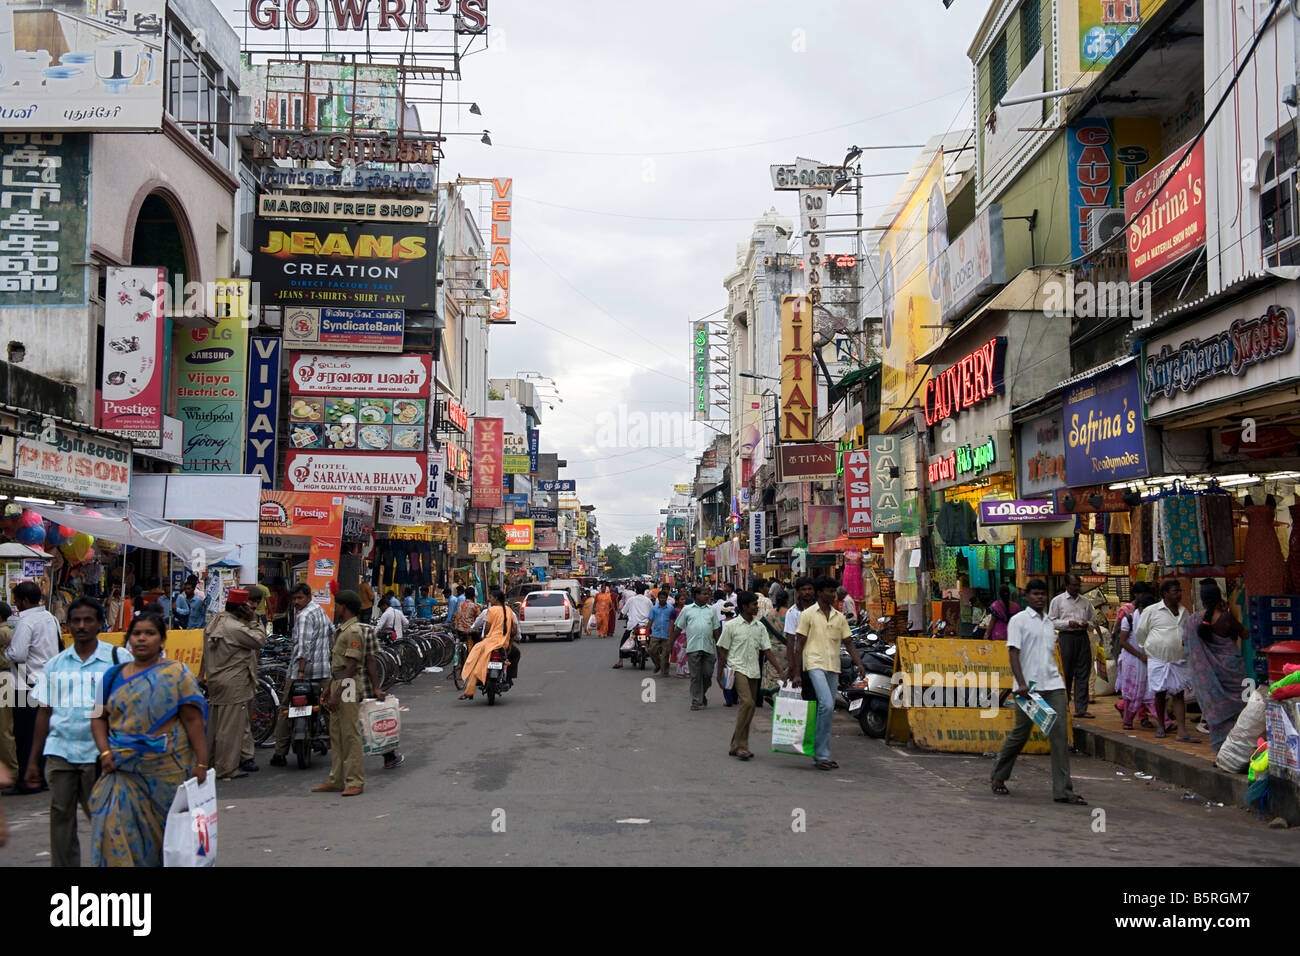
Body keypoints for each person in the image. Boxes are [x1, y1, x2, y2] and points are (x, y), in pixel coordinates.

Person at [89, 612, 210, 865]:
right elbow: (98, 717)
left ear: (162, 640)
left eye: (150, 633)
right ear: (129, 639)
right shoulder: (113, 676)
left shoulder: (177, 673)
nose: (142, 639)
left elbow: (192, 720)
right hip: (122, 772)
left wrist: (201, 762)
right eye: (136, 634)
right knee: (115, 834)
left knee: (165, 842)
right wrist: (104, 752)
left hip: (167, 773)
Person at [25, 598, 127, 866]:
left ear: (100, 624)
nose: (81, 626)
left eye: (88, 620)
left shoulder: (117, 659)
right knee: (61, 819)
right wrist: (34, 761)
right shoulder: (56, 664)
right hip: (61, 752)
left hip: (102, 755)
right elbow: (45, 713)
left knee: (104, 819)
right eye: (76, 621)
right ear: (68, 626)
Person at [990, 579, 1085, 804]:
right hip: (1029, 689)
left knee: (1060, 736)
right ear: (1027, 596)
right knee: (1021, 733)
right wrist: (1021, 683)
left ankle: (1063, 790)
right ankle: (999, 775)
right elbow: (1013, 652)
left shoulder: (1048, 623)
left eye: (1043, 594)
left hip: (1053, 685)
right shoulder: (1019, 621)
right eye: (1035, 594)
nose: (1040, 597)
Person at [789, 577, 866, 771]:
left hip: (833, 665)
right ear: (819, 593)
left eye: (833, 591)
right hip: (813, 663)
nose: (832, 594)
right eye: (828, 591)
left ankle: (820, 752)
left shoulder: (839, 617)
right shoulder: (807, 615)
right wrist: (796, 672)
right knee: (826, 703)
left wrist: (859, 663)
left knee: (828, 708)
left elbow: (848, 642)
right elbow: (799, 645)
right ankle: (821, 753)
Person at [198, 588, 265, 780]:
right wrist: (253, 620)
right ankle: (226, 769)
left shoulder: (215, 622)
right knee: (231, 728)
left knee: (215, 725)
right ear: (241, 609)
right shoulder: (235, 628)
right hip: (234, 683)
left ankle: (210, 763)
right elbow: (259, 640)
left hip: (215, 679)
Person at [3, 581, 61, 796]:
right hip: (48, 682)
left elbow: (17, 654)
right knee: (42, 733)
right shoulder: (50, 618)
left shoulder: (25, 621)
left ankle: (27, 781)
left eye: (17, 600)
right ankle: (42, 777)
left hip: (26, 685)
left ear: (25, 601)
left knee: (25, 734)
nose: (16, 605)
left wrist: (5, 654)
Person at [313, 591, 369, 796]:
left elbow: (351, 665)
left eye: (337, 606)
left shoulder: (353, 631)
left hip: (348, 685)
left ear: (344, 607)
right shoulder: (342, 629)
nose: (335, 609)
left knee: (350, 734)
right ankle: (336, 779)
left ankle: (355, 781)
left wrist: (337, 693)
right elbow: (338, 666)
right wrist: (329, 688)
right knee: (336, 734)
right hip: (339, 682)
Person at [271, 584, 334, 767]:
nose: (296, 602)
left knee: (285, 709)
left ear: (308, 597)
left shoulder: (305, 615)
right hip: (322, 670)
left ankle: (280, 753)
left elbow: (303, 647)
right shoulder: (320, 610)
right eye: (295, 598)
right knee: (329, 706)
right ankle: (335, 743)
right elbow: (331, 633)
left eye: (300, 598)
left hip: (302, 672)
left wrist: (300, 671)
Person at [716, 591, 783, 760]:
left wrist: (781, 671)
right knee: (746, 703)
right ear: (744, 607)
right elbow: (722, 649)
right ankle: (741, 746)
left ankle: (736, 744)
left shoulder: (760, 627)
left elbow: (767, 651)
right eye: (754, 604)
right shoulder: (731, 626)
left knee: (751, 707)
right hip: (737, 668)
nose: (757, 607)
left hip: (754, 670)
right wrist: (719, 674)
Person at [1184, 579, 1249, 753]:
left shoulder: (1191, 621)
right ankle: (1237, 752)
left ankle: (1221, 751)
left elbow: (1187, 645)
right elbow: (1245, 634)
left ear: (1202, 599)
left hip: (1208, 680)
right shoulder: (1226, 619)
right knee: (1239, 712)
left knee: (1217, 715)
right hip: (1232, 674)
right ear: (1220, 598)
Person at [1132, 579, 1194, 741]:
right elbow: (1141, 632)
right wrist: (1151, 647)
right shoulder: (1152, 611)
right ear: (1165, 593)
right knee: (1160, 693)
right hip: (1157, 658)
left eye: (1180, 591)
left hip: (1178, 658)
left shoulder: (1183, 611)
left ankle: (1181, 730)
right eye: (1175, 591)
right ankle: (1160, 725)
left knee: (1178, 693)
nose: (1179, 594)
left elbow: (1186, 632)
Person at [1048, 573, 1096, 718]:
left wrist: (1087, 625)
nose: (1076, 588)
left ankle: (1081, 709)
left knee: (1083, 673)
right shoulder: (1057, 601)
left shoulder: (1086, 602)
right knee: (1066, 673)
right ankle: (1064, 706)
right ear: (1067, 585)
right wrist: (1067, 623)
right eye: (1074, 585)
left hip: (1082, 638)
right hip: (1066, 637)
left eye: (1078, 585)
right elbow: (1051, 621)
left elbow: (1093, 622)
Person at [459, 588, 518, 701]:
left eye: (490, 597)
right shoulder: (509, 610)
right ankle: (509, 678)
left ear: (496, 598)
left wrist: (485, 638)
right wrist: (510, 640)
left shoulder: (491, 610)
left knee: (476, 658)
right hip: (504, 643)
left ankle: (470, 689)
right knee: (515, 653)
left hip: (491, 641)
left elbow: (487, 628)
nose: (489, 599)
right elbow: (514, 630)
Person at [670, 585, 722, 710]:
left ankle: (702, 694)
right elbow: (678, 628)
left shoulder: (711, 610)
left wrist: (720, 649)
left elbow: (715, 630)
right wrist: (670, 643)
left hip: (708, 648)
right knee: (695, 676)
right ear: (696, 596)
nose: (707, 596)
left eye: (707, 594)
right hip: (693, 648)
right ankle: (696, 700)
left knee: (707, 675)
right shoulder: (687, 610)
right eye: (704, 594)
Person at [1115, 590, 1159, 730]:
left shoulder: (1153, 621)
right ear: (1141, 608)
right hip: (1133, 661)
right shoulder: (1129, 620)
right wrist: (1140, 656)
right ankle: (1128, 720)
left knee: (1151, 692)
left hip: (1147, 659)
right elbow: (1123, 641)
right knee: (1133, 693)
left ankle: (1163, 721)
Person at [759, 588, 791, 704]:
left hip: (772, 650)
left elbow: (764, 632)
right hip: (787, 651)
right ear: (787, 600)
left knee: (774, 675)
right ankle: (781, 699)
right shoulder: (791, 614)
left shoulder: (769, 614)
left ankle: (774, 695)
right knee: (785, 677)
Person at [613, 582, 653, 669]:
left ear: (636, 591)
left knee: (623, 642)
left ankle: (620, 662)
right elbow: (652, 613)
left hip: (633, 626)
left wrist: (621, 616)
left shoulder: (631, 600)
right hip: (646, 625)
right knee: (653, 640)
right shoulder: (648, 601)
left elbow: (623, 612)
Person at [0, 603, 15, 780]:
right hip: (7, 678)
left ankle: (10, 771)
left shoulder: (2, 632)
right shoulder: (10, 631)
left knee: (4, 729)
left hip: (3, 678)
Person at [647, 588, 675, 674]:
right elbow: (650, 620)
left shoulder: (671, 608)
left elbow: (672, 622)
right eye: (661, 598)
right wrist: (647, 631)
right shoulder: (654, 609)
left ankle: (665, 670)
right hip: (656, 633)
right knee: (651, 650)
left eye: (664, 598)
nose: (662, 599)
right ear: (658, 598)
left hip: (667, 634)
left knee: (665, 654)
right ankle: (657, 664)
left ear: (666, 598)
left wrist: (671, 635)